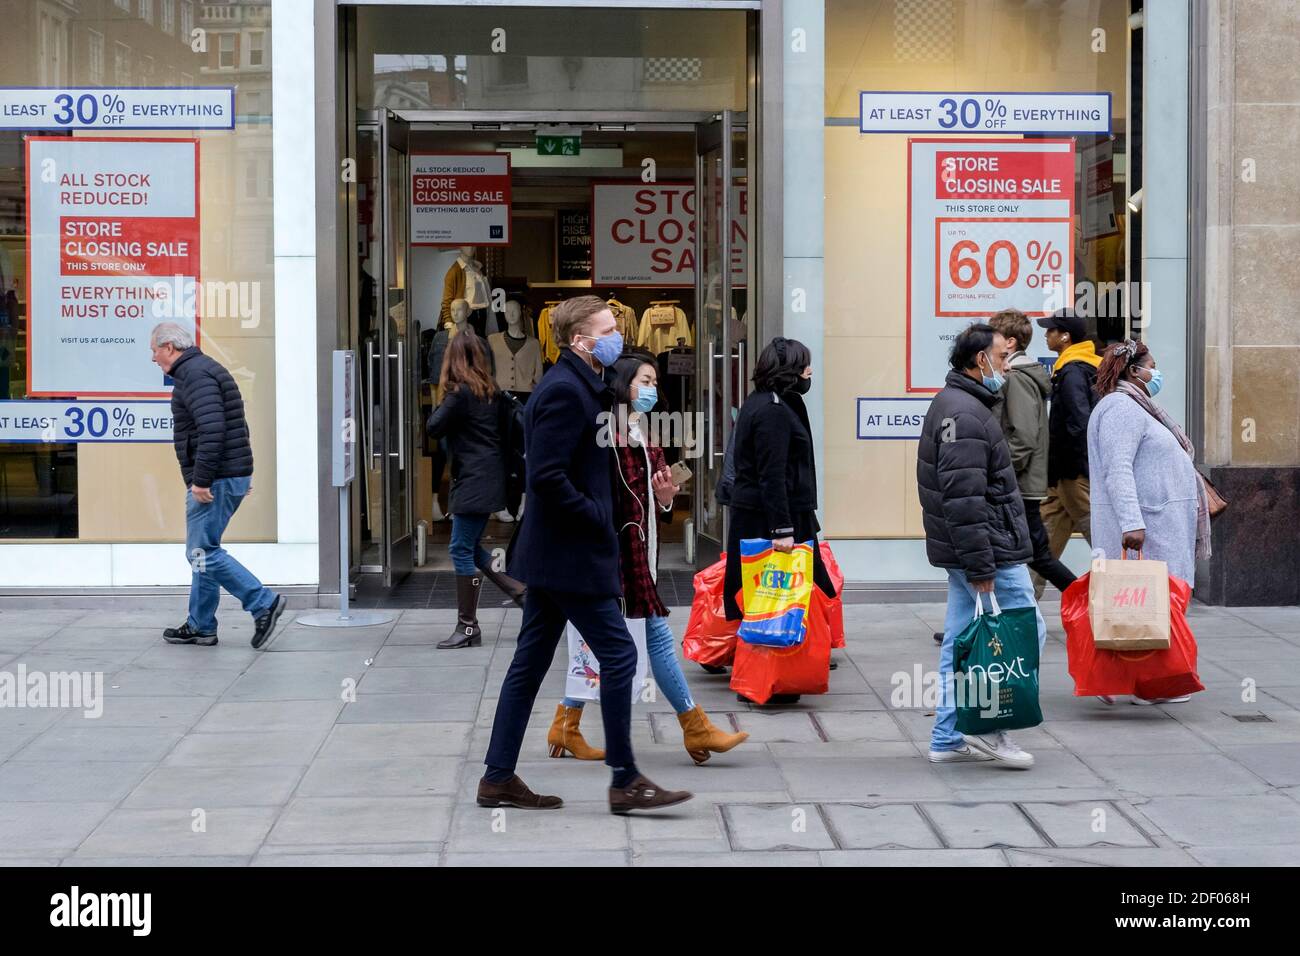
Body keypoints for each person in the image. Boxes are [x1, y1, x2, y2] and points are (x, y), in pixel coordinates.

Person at [478, 296, 691, 815]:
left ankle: (497, 777)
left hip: (558, 556)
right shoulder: (563, 392)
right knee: (620, 656)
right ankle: (624, 780)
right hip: (570, 555)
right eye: (608, 328)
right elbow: (545, 476)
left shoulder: (583, 386)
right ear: (581, 340)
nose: (617, 334)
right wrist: (596, 516)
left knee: (529, 664)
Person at [551, 349, 749, 765]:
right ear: (623, 385)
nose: (653, 390)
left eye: (655, 382)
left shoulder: (641, 432)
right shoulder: (608, 434)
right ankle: (695, 728)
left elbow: (651, 498)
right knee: (647, 638)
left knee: (604, 642)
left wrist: (664, 499)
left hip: (641, 554)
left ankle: (567, 724)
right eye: (645, 381)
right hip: (617, 558)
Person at [916, 322, 1047, 769]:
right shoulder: (966, 414)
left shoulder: (960, 405)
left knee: (962, 641)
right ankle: (990, 728)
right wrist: (981, 566)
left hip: (977, 550)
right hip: (987, 551)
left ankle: (948, 736)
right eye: (1003, 358)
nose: (1007, 367)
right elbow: (963, 499)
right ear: (981, 361)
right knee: (1017, 636)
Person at [1088, 339, 1210, 706]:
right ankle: (1149, 683)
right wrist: (1131, 523)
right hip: (1149, 526)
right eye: (1152, 365)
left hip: (1161, 522)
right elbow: (1118, 469)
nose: (1156, 372)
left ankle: (1144, 681)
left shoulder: (1137, 406)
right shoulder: (1121, 409)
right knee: (1147, 608)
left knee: (1152, 608)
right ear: (1132, 370)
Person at [150, 322, 286, 650]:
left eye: (154, 350)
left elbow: (213, 430)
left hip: (215, 479)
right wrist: (237, 472)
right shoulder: (201, 370)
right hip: (227, 475)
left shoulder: (195, 375)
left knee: (201, 552)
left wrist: (202, 481)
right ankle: (201, 625)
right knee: (203, 549)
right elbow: (232, 423)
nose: (152, 358)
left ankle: (262, 601)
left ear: (169, 347)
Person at [723, 337, 839, 702]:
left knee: (783, 595)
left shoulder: (775, 403)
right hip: (770, 518)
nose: (810, 372)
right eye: (805, 365)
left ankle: (790, 661)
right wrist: (783, 530)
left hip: (780, 513)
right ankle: (767, 675)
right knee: (772, 599)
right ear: (789, 371)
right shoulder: (773, 410)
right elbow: (772, 474)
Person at [425, 329, 527, 649]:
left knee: (459, 549)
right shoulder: (491, 390)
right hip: (490, 478)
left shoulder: (459, 394)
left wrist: (443, 395)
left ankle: (468, 626)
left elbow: (433, 427)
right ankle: (521, 593)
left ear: (453, 360)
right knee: (469, 547)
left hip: (473, 481)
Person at [987, 309, 1077, 594]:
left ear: (1010, 343)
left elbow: (1023, 436)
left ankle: (1087, 602)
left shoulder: (1017, 378)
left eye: (994, 339)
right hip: (1020, 483)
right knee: (1016, 555)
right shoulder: (1012, 375)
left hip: (1020, 484)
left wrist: (1001, 471)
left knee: (1038, 556)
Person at [1036, 307, 1101, 591]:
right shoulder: (1078, 366)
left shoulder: (1072, 370)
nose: (1047, 335)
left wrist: (1077, 469)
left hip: (1071, 474)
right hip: (1063, 474)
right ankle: (1019, 608)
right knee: (1042, 545)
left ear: (1065, 336)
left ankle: (1129, 593)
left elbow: (1079, 422)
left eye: (1051, 330)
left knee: (1100, 538)